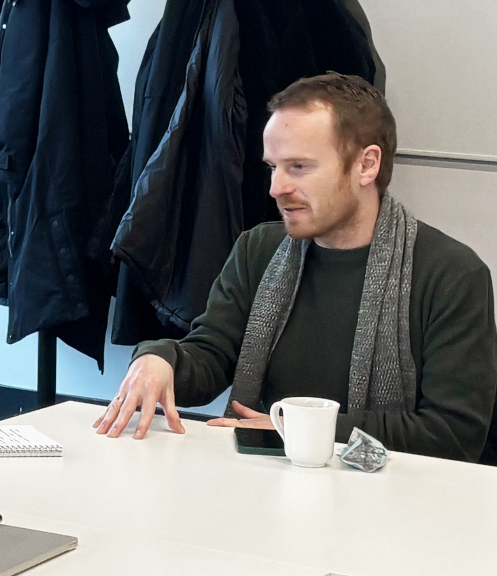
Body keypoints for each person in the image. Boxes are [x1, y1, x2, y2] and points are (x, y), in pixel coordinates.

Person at [94, 72, 497, 463]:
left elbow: (453, 436)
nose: (276, 188)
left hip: (394, 508)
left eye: (299, 167)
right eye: (273, 166)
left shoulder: (452, 275)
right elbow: (212, 356)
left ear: (366, 165)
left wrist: (303, 429)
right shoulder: (259, 249)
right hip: (262, 488)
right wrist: (160, 359)